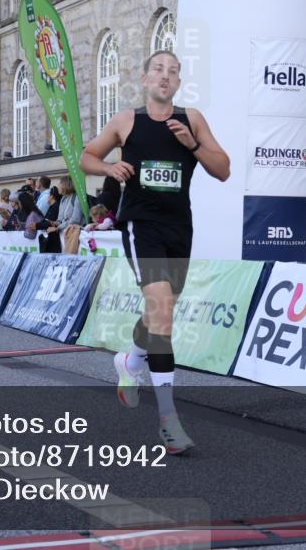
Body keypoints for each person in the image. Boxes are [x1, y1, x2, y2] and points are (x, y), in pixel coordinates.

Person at [80, 49, 230, 454]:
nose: (165, 76)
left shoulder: (192, 119)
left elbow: (223, 169)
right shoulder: (126, 121)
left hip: (178, 228)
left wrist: (193, 144)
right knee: (162, 310)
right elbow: (86, 157)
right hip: (140, 224)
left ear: (178, 83)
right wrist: (109, 168)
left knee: (160, 313)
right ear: (145, 79)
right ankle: (168, 422)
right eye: (158, 70)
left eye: (173, 71)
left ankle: (131, 361)